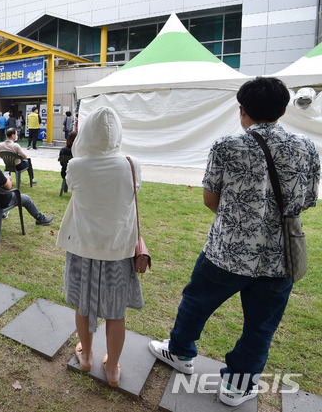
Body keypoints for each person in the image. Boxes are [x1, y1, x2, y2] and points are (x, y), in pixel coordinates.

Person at [148, 77, 320, 407]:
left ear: (242, 110)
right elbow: (307, 201)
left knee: (196, 303)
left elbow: (210, 198)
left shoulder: (226, 146)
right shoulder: (307, 148)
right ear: (284, 110)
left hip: (225, 251)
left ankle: (181, 353)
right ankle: (238, 387)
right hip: (279, 258)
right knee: (260, 327)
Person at [56, 107, 143, 388]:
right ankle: (113, 369)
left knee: (84, 304)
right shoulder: (132, 164)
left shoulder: (77, 166)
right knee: (116, 312)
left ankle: (86, 356)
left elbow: (73, 187)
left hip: (82, 246)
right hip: (118, 249)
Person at [0, 143, 53, 225]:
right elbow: (8, 186)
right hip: (1, 202)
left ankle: (2, 214)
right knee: (26, 199)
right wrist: (8, 178)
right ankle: (41, 219)